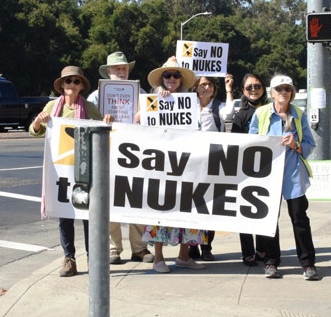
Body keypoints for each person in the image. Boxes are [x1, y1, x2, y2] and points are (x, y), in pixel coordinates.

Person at [30, 66, 113, 277]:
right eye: (68, 81)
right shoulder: (52, 106)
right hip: (61, 168)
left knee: (87, 214)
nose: (72, 85)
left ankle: (92, 258)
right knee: (64, 216)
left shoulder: (89, 108)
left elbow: (102, 130)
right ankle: (69, 258)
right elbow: (34, 132)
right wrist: (39, 121)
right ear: (62, 85)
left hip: (85, 167)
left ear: (82, 86)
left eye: (76, 82)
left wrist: (106, 122)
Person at [249, 74, 319, 280]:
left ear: (292, 93)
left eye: (287, 89)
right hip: (267, 174)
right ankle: (271, 262)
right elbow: (250, 142)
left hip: (293, 173)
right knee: (269, 219)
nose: (283, 93)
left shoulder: (298, 113)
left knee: (300, 218)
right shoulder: (261, 113)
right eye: (279, 89)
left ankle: (308, 264)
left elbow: (309, 144)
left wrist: (295, 145)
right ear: (272, 93)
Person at [141, 56, 207, 273]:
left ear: (181, 79)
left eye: (175, 75)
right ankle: (158, 258)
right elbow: (137, 120)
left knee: (187, 208)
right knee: (159, 209)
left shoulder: (190, 102)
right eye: (167, 75)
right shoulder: (152, 99)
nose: (171, 79)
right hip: (159, 163)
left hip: (186, 163)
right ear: (161, 78)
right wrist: (158, 101)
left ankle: (184, 255)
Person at [88, 51, 153, 265]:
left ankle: (140, 248)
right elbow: (88, 125)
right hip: (107, 155)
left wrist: (142, 116)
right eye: (118, 68)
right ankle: (113, 248)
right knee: (109, 201)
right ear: (108, 72)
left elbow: (152, 119)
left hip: (136, 155)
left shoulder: (140, 93)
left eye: (125, 68)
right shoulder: (96, 96)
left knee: (137, 200)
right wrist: (102, 120)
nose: (122, 72)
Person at [188, 74, 234, 261]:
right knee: (191, 207)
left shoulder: (218, 107)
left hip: (212, 163)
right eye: (201, 85)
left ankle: (206, 246)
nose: (205, 88)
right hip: (190, 163)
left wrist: (229, 89)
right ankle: (192, 246)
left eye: (209, 85)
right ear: (195, 88)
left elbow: (230, 113)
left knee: (209, 207)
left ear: (214, 88)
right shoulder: (187, 105)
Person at [231, 73, 273, 267]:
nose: (254, 90)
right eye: (249, 88)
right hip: (245, 170)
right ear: (243, 91)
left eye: (257, 86)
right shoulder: (240, 115)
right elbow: (236, 144)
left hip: (269, 168)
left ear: (264, 88)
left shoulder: (273, 111)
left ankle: (262, 249)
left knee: (265, 210)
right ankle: (247, 252)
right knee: (245, 212)